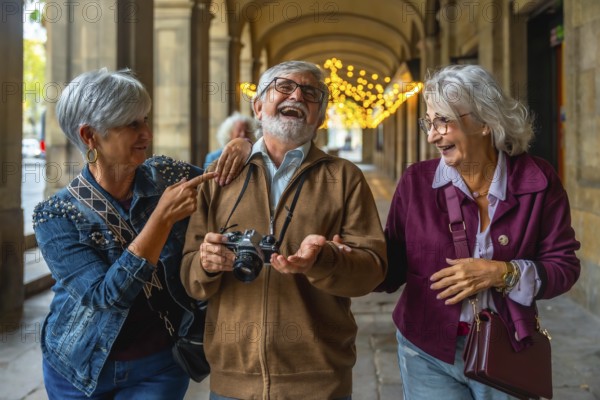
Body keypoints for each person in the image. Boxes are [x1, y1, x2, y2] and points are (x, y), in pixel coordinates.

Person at [33, 68, 250, 399]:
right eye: (131, 124)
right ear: (90, 136)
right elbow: (106, 297)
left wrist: (245, 145)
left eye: (145, 119)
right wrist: (160, 220)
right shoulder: (57, 215)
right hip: (77, 368)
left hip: (160, 364)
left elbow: (230, 186)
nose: (146, 133)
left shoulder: (167, 174)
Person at [181, 60, 387, 400]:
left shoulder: (345, 177)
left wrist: (324, 260)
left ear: (320, 117)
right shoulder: (219, 176)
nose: (297, 96)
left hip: (319, 380)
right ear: (258, 106)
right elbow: (189, 276)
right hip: (233, 380)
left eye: (311, 93)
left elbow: (373, 271)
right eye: (284, 87)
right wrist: (206, 263)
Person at [384, 64, 581, 399]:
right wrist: (346, 257)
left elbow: (564, 266)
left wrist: (503, 273)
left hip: (507, 348)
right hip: (426, 349)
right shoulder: (416, 182)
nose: (432, 135)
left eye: (443, 121)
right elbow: (391, 266)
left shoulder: (537, 180)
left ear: (486, 122)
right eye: (428, 123)